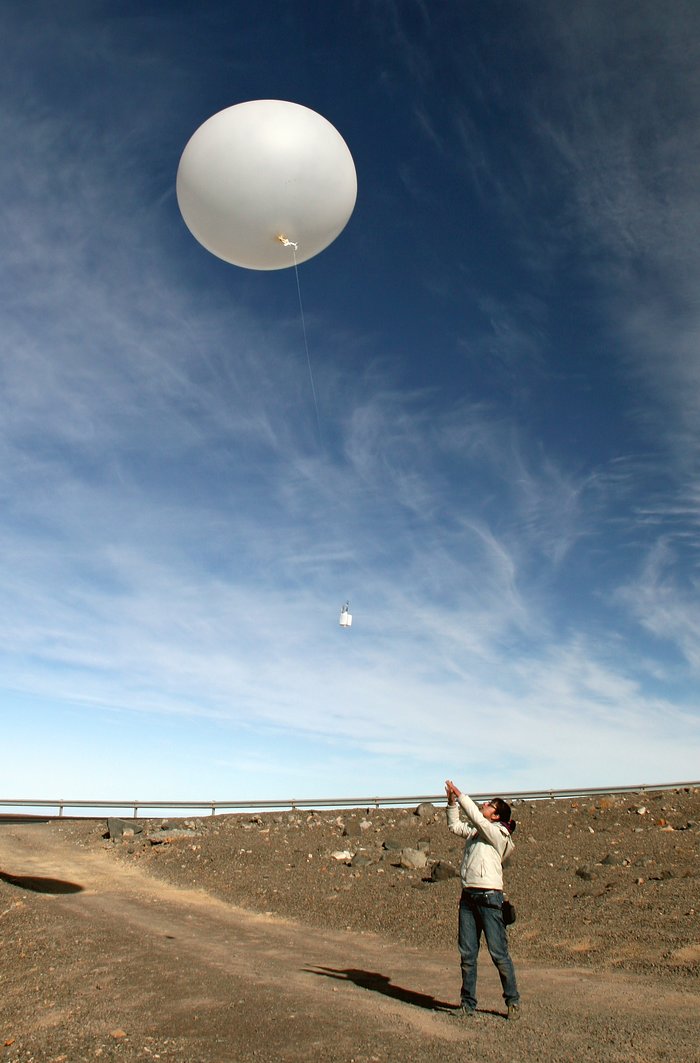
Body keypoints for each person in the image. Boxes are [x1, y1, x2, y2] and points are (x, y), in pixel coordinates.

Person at [444, 779, 521, 1020]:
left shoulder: (498, 834)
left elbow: (477, 818)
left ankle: (513, 1001)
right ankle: (468, 1004)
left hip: (489, 897)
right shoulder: (478, 832)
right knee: (467, 954)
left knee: (499, 953)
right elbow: (455, 826)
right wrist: (451, 802)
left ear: (497, 816)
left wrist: (460, 793)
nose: (484, 805)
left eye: (489, 805)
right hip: (468, 896)